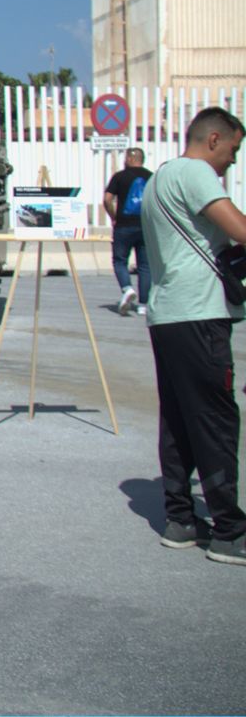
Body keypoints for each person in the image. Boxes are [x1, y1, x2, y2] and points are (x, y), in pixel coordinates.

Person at [141, 107, 246, 566]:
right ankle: (230, 531)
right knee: (216, 421)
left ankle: (181, 519)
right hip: (200, 315)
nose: (233, 162)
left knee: (180, 420)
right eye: (233, 151)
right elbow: (240, 230)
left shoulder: (160, 178)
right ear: (214, 139)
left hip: (167, 314)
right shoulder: (197, 172)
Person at [105, 148, 153, 316]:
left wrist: (113, 216)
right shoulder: (152, 177)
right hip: (146, 227)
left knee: (119, 261)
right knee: (145, 266)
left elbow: (107, 199)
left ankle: (127, 288)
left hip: (124, 227)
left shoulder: (120, 176)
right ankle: (143, 305)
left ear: (129, 159)